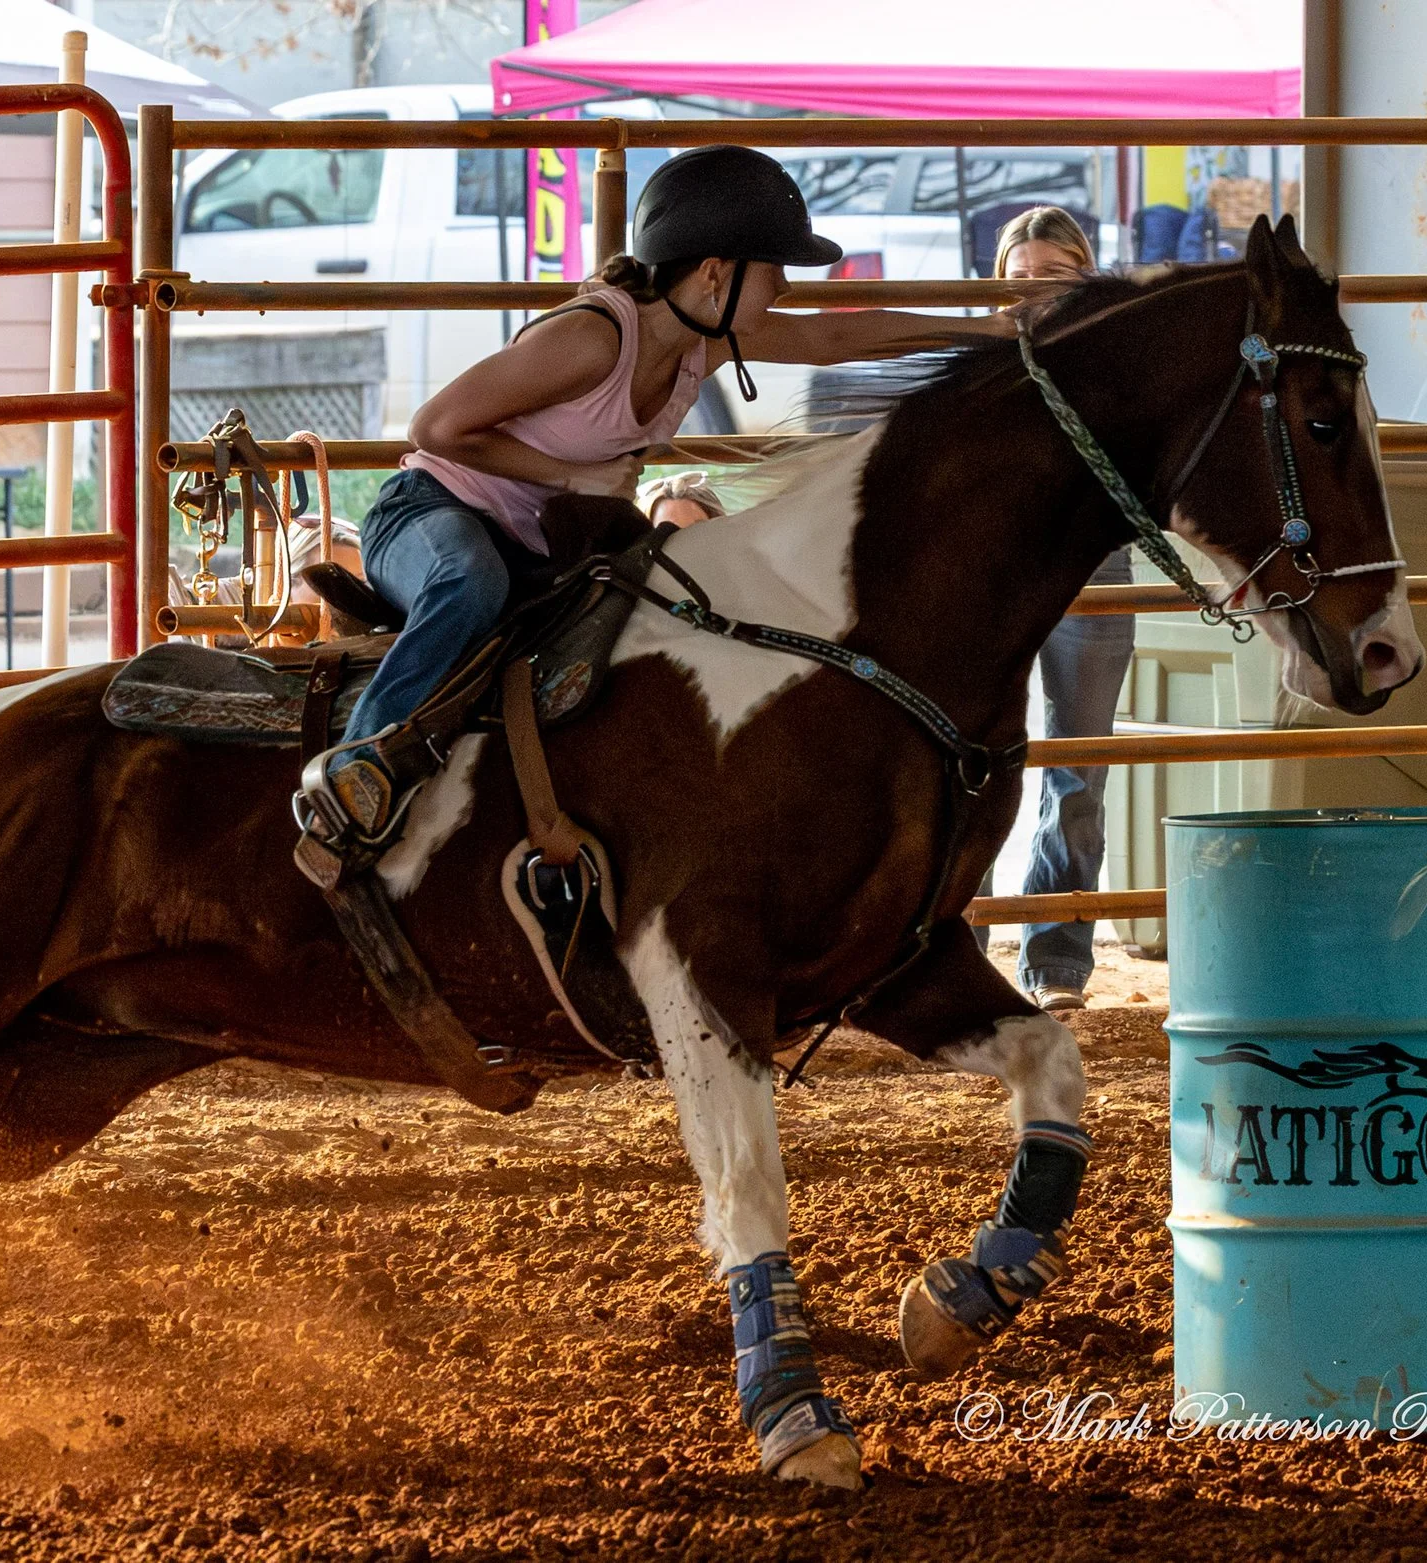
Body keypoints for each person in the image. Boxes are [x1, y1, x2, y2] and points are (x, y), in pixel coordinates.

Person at [294, 145, 1013, 859]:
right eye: (775, 269)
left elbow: (833, 335)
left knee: (676, 603)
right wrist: (570, 478)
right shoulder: (595, 338)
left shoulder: (705, 342)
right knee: (468, 580)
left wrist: (986, 331)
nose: (785, 290)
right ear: (713, 275)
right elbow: (436, 429)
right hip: (428, 510)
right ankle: (360, 764)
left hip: (536, 539)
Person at [989, 206, 1131, 1014]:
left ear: (1084, 274)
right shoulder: (984, 355)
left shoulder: (1116, 357)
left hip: (1093, 560)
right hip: (996, 564)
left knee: (1080, 766)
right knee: (971, 753)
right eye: (1021, 276)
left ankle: (1059, 963)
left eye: (1053, 274)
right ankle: (956, 946)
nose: (1035, 290)